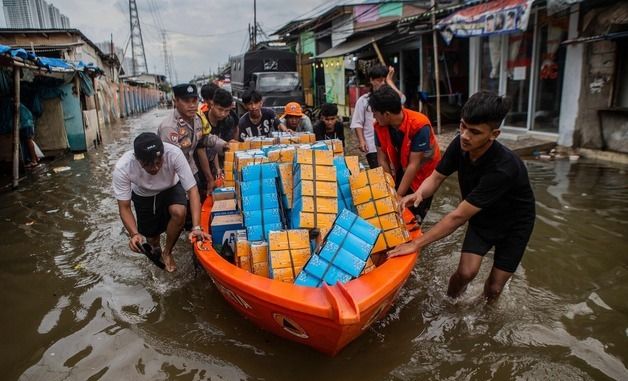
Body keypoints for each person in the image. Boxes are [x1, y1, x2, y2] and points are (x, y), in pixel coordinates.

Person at [388, 92, 536, 303]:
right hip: (483, 216)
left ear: (494, 134)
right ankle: (451, 303)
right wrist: (419, 193)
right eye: (463, 126)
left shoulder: (504, 168)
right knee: (466, 273)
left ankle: (485, 317)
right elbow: (437, 177)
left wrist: (417, 244)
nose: (465, 135)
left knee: (494, 288)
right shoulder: (460, 144)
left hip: (515, 225)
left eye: (474, 132)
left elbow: (458, 217)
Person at [112, 132, 210, 272]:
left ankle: (167, 252)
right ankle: (157, 249)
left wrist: (196, 227)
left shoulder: (174, 153)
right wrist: (134, 234)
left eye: (158, 162)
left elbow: (192, 190)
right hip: (143, 194)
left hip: (171, 186)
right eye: (148, 165)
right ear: (137, 159)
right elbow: (124, 207)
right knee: (152, 240)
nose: (155, 168)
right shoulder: (123, 167)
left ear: (163, 154)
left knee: (179, 212)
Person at [369, 85, 441, 222]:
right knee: (396, 210)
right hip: (402, 167)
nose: (373, 116)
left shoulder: (419, 125)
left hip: (424, 173)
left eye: (375, 113)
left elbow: (414, 164)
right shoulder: (379, 126)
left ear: (387, 114)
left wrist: (399, 195)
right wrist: (390, 190)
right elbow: (382, 159)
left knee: (415, 212)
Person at [158, 83, 226, 200]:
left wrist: (224, 144)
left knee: (197, 202)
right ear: (176, 101)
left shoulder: (196, 118)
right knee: (181, 209)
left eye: (194, 101)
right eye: (186, 101)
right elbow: (170, 160)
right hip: (175, 177)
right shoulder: (169, 127)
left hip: (192, 170)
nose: (192, 105)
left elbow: (203, 138)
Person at [350, 64, 405, 169]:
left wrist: (390, 81)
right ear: (371, 80)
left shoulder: (391, 98)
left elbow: (402, 100)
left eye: (385, 80)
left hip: (392, 143)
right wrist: (362, 141)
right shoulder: (363, 100)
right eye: (379, 80)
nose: (383, 83)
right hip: (372, 144)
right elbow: (357, 122)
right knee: (378, 173)